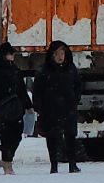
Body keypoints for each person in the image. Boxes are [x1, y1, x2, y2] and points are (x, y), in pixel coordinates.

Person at [33, 40, 82, 174]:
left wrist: (74, 100)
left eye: (62, 53)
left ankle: (72, 164)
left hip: (68, 108)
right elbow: (37, 90)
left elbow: (78, 86)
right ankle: (53, 165)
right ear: (51, 55)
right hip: (50, 110)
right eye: (56, 53)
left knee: (70, 136)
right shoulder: (45, 71)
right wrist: (39, 107)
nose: (60, 56)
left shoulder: (71, 69)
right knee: (52, 138)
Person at [0, 43, 32, 175]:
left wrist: (28, 106)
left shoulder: (15, 70)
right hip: (1, 109)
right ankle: (8, 164)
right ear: (4, 55)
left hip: (16, 109)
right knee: (6, 137)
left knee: (16, 136)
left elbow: (22, 89)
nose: (12, 56)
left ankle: (6, 159)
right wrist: (2, 96)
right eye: (10, 54)